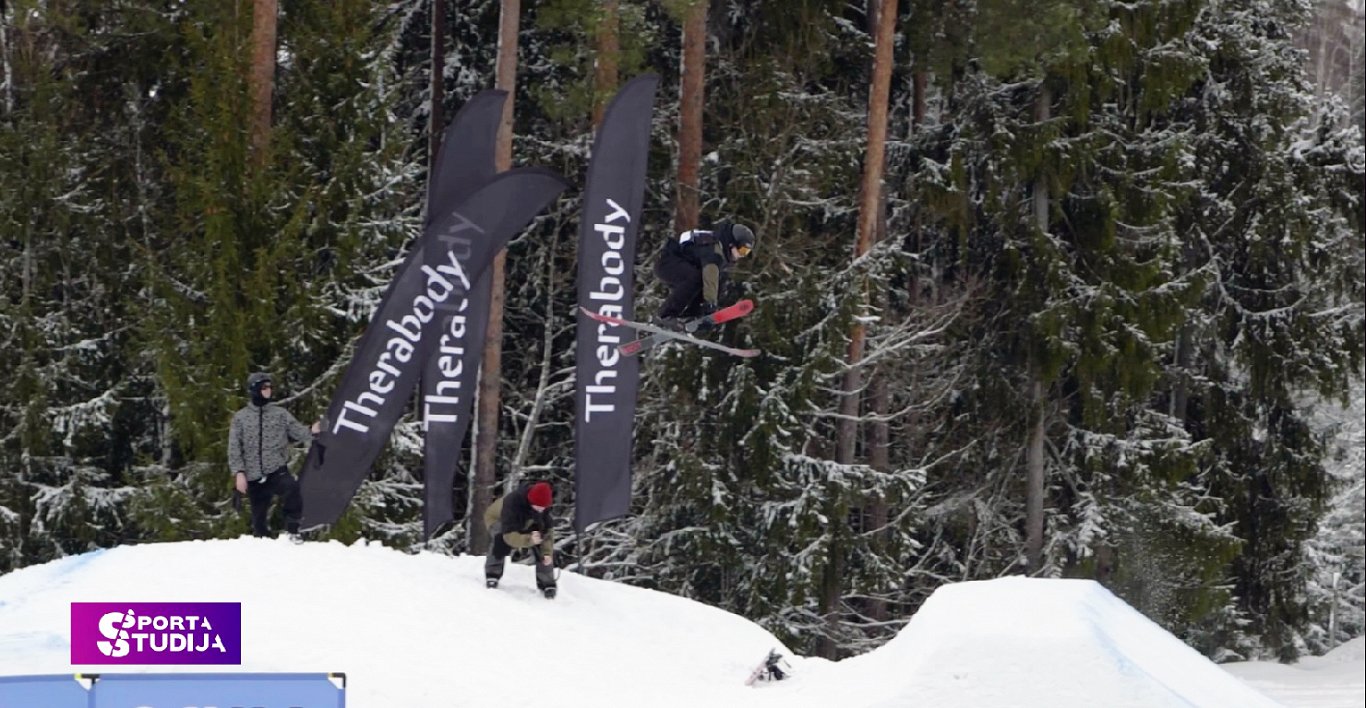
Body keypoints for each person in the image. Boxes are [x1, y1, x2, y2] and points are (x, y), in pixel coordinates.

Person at [227, 372, 320, 541]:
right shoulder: (240, 418)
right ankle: (266, 547)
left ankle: (293, 530)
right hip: (253, 475)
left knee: (291, 488)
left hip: (276, 470)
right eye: (264, 387)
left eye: (270, 387)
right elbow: (234, 448)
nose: (269, 391)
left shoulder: (280, 414)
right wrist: (239, 473)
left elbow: (298, 432)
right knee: (259, 524)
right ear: (255, 389)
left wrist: (312, 431)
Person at [653, 221, 755, 330]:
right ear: (732, 243)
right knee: (696, 277)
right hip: (667, 263)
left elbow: (716, 283)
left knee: (707, 280)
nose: (741, 255)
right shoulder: (714, 248)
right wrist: (710, 305)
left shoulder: (721, 256)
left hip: (679, 265)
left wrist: (705, 312)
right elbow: (710, 273)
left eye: (746, 252)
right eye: (742, 250)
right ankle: (665, 315)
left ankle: (690, 314)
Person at [483, 481, 557, 597]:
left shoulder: (543, 509)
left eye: (543, 508)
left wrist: (547, 553)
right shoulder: (512, 503)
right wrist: (529, 540)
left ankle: (546, 582)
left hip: (525, 522)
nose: (540, 511)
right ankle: (492, 574)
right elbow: (508, 537)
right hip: (498, 519)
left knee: (541, 541)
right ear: (530, 501)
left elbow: (548, 533)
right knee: (500, 539)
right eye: (538, 507)